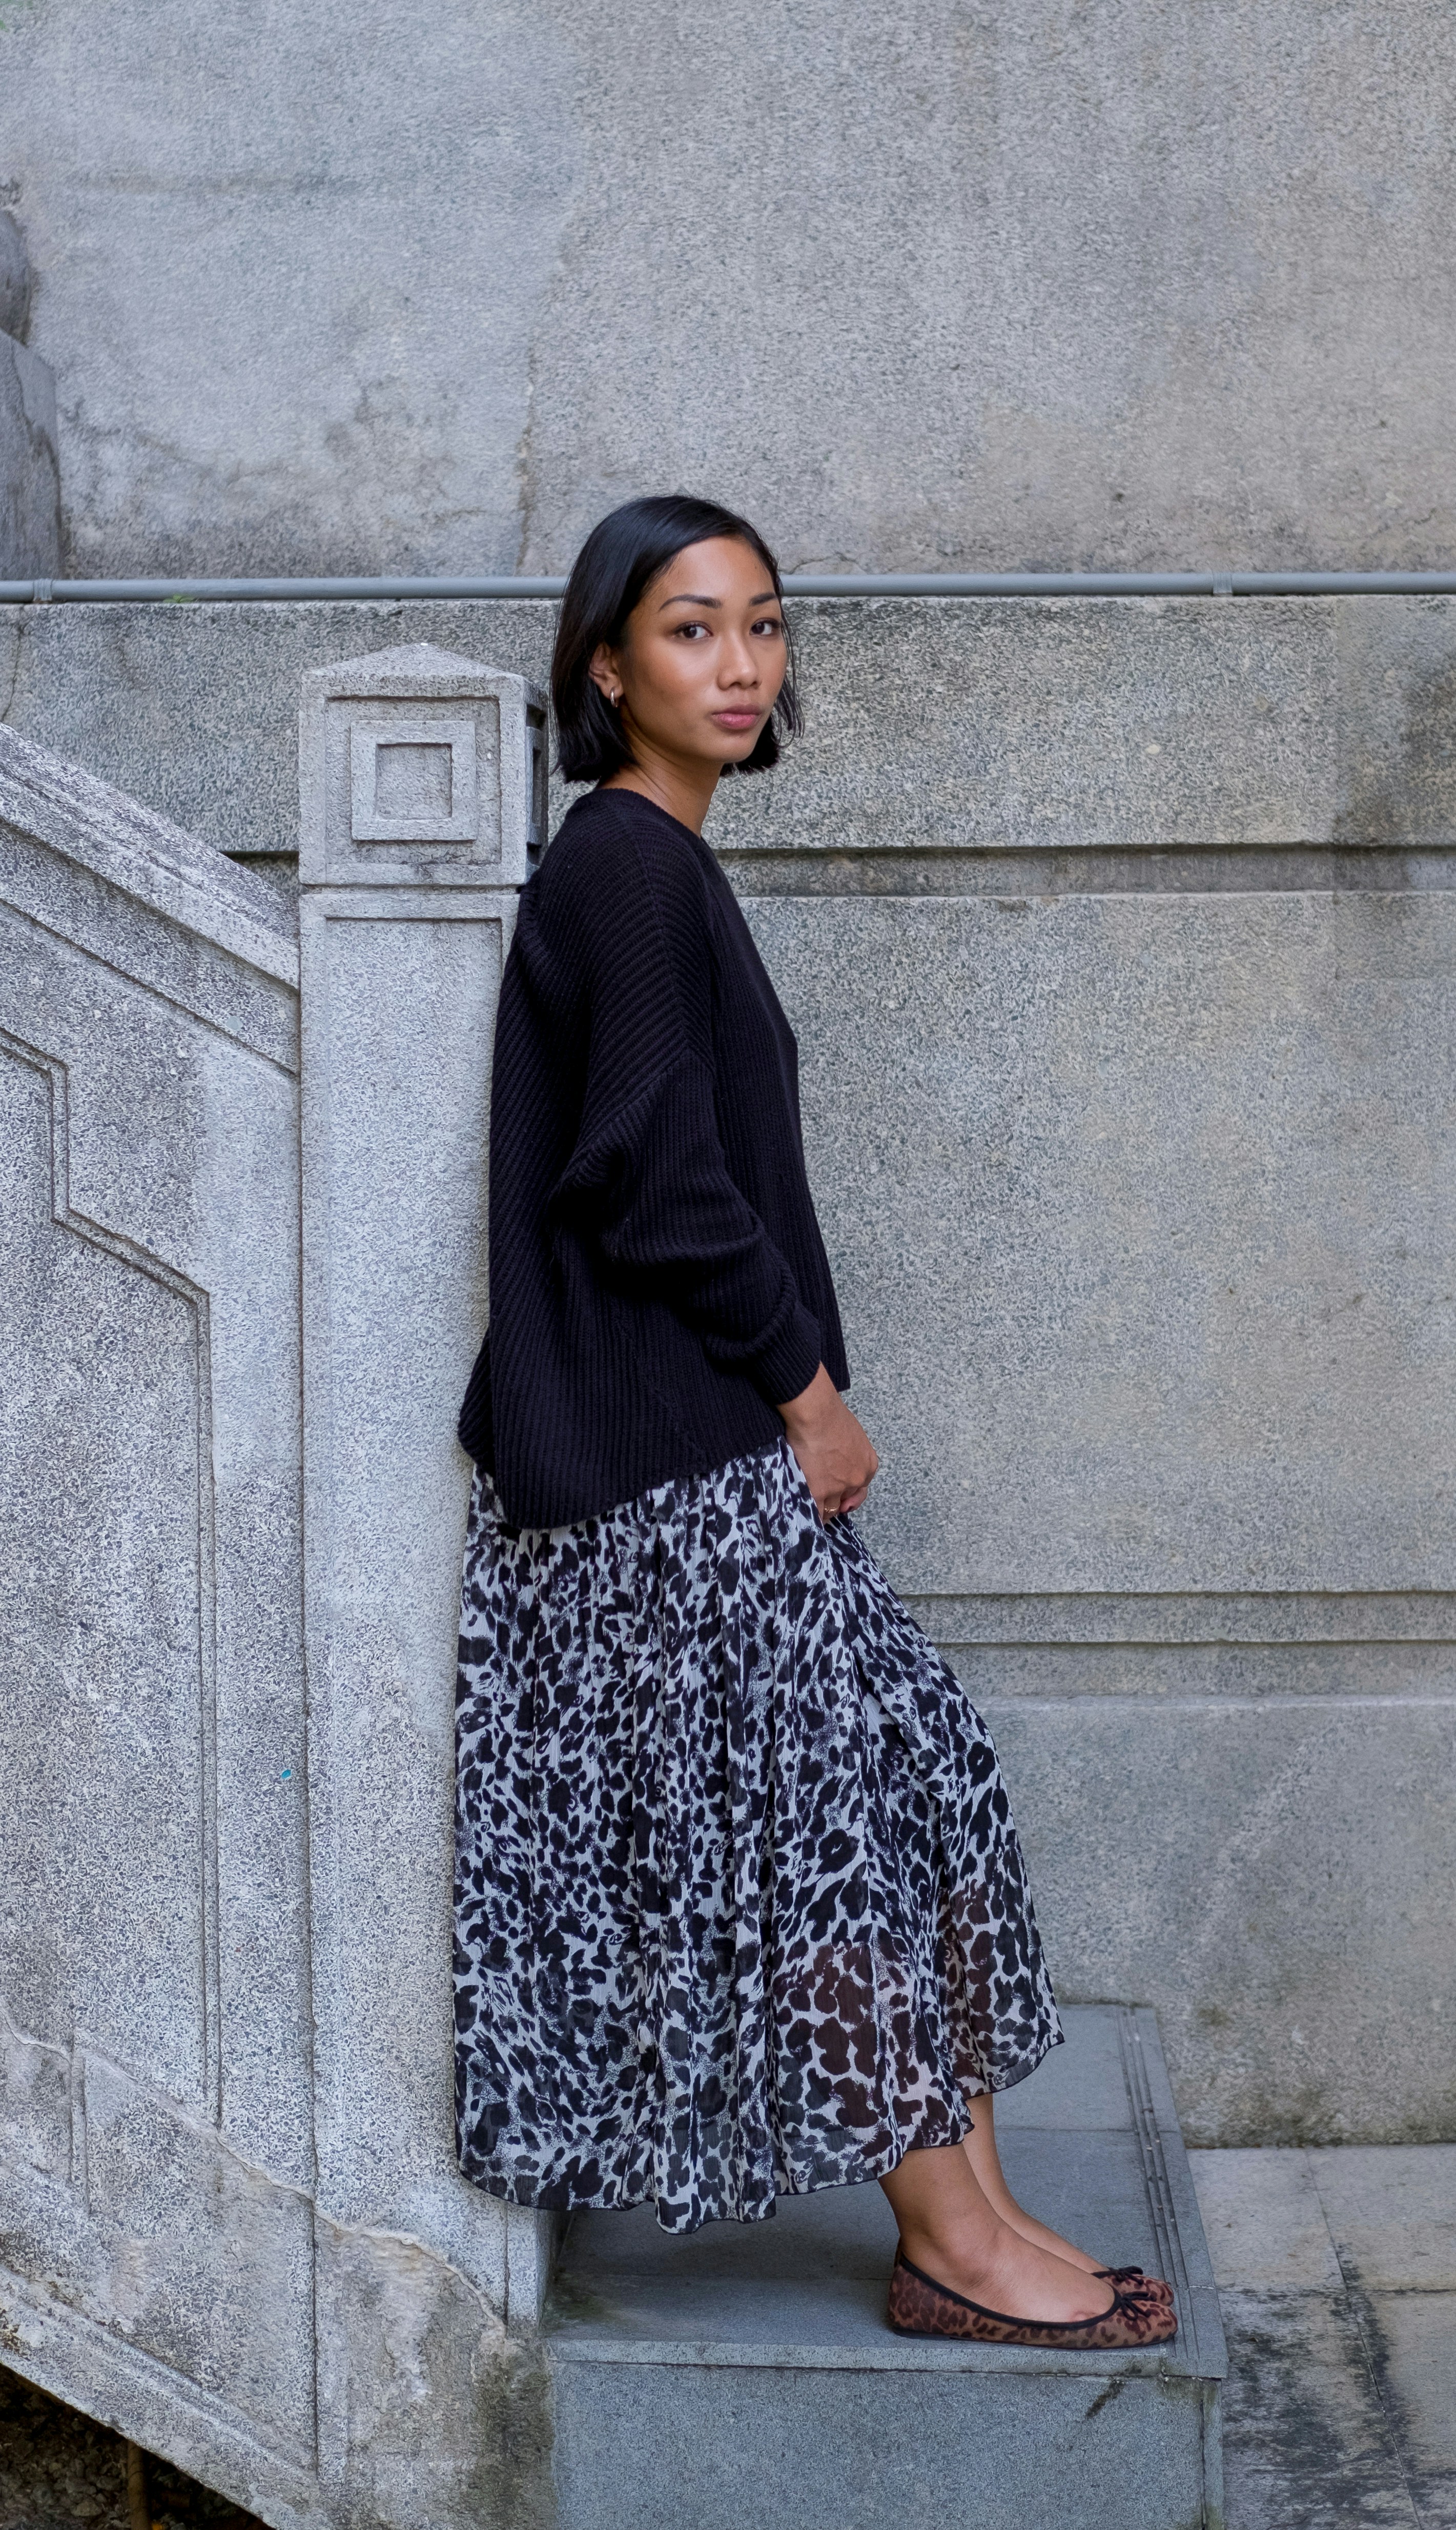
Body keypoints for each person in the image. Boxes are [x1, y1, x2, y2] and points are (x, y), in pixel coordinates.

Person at [453, 493, 1175, 2351]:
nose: (741, 665)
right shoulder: (623, 866)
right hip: (666, 1472)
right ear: (606, 667)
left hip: (710, 1457)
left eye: (762, 625)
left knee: (909, 1784)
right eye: (691, 629)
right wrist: (810, 1393)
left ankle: (973, 2212)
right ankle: (947, 2235)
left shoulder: (665, 867)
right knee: (831, 1836)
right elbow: (651, 1177)